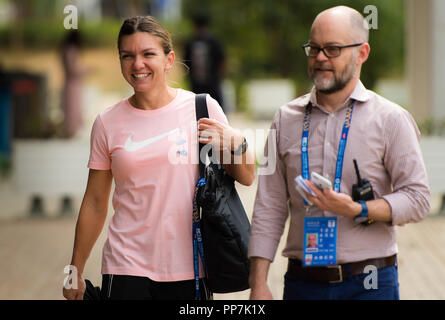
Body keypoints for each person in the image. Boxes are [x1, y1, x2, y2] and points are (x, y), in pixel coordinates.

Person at [62, 15, 254, 300]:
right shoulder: (107, 122)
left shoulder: (202, 108)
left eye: (148, 54)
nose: (137, 64)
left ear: (168, 59)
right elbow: (94, 201)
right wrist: (74, 268)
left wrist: (237, 143)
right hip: (125, 265)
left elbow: (247, 176)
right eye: (128, 56)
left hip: (192, 265)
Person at [248, 6, 430, 300]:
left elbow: (418, 198)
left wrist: (359, 210)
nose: (320, 58)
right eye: (314, 48)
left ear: (362, 53)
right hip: (301, 282)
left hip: (370, 283)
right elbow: (268, 207)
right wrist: (258, 283)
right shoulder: (284, 119)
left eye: (332, 49)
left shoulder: (391, 119)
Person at [184, 14, 226, 111]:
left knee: (215, 106)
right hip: (197, 82)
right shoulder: (191, 42)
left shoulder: (213, 42)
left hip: (212, 82)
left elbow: (221, 61)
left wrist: (217, 76)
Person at [60, 30, 88, 138]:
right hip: (73, 84)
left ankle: (71, 131)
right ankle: (71, 133)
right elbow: (73, 69)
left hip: (71, 83)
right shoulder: (70, 50)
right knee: (72, 110)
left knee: (71, 110)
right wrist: (87, 71)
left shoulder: (65, 49)